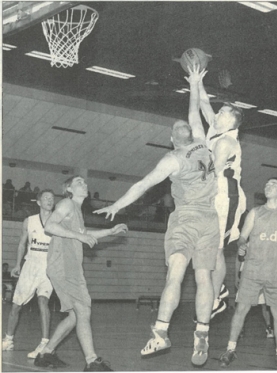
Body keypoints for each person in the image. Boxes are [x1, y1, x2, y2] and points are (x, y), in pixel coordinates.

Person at [94, 73, 220, 367]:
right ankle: (188, 333)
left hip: (191, 219)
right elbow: (143, 185)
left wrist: (194, 84)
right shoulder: (197, 145)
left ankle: (177, 332)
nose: (183, 126)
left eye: (183, 125)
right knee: (196, 277)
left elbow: (143, 185)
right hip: (207, 220)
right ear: (174, 137)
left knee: (188, 275)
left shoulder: (178, 155)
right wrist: (117, 205)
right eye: (178, 127)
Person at [34, 176, 128, 371]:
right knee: (83, 310)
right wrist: (79, 236)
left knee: (74, 316)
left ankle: (46, 353)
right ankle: (91, 361)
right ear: (68, 188)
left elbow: (85, 232)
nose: (84, 184)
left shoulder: (76, 210)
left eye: (85, 182)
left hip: (70, 267)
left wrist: (110, 231)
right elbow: (50, 226)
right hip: (63, 265)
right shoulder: (67, 203)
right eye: (78, 182)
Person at [219, 177, 277, 370]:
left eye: (273, 184)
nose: (267, 186)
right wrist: (242, 245)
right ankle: (230, 349)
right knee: (241, 310)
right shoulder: (255, 212)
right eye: (266, 184)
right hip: (253, 269)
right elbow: (243, 236)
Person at [189, 66, 246, 319]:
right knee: (210, 246)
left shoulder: (226, 141)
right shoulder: (217, 129)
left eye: (221, 112)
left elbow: (214, 169)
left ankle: (214, 298)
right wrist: (197, 81)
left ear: (230, 120)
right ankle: (218, 290)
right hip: (214, 190)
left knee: (218, 249)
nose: (217, 113)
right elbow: (203, 104)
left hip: (226, 193)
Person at [2, 190, 55, 359]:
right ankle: (8, 339)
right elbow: (21, 244)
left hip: (48, 268)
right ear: (38, 202)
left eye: (52, 198)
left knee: (43, 301)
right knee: (16, 305)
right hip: (30, 265)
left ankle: (44, 343)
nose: (49, 200)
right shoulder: (29, 221)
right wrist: (17, 264)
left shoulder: (59, 221)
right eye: (46, 198)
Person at [235, 250, 274, 339]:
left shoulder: (263, 242)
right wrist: (236, 276)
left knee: (264, 303)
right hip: (246, 276)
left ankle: (269, 327)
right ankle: (240, 328)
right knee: (242, 304)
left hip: (260, 276)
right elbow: (237, 260)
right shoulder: (244, 242)